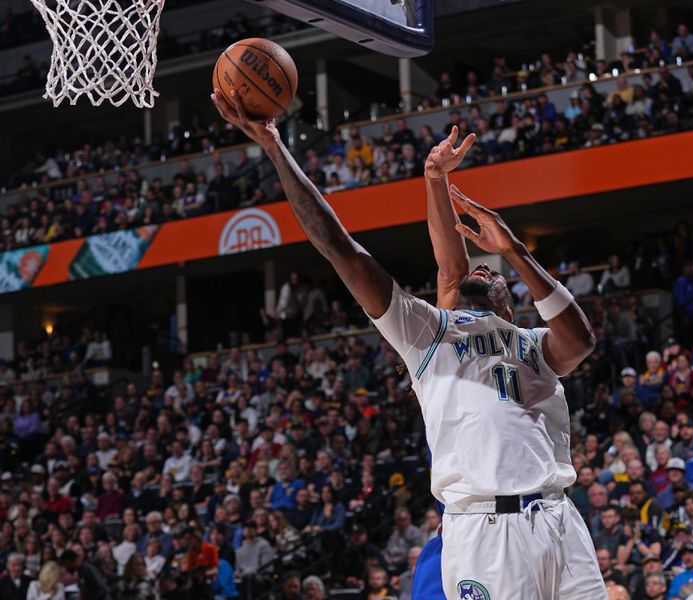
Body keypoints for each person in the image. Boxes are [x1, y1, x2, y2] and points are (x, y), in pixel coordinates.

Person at [211, 91, 604, 598]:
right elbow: (345, 251)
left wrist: (515, 250)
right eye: (474, 270)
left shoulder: (533, 344)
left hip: (559, 519)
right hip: (486, 530)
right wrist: (274, 146)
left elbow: (582, 341)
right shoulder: (431, 334)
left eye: (494, 271)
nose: (482, 270)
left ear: (511, 305)